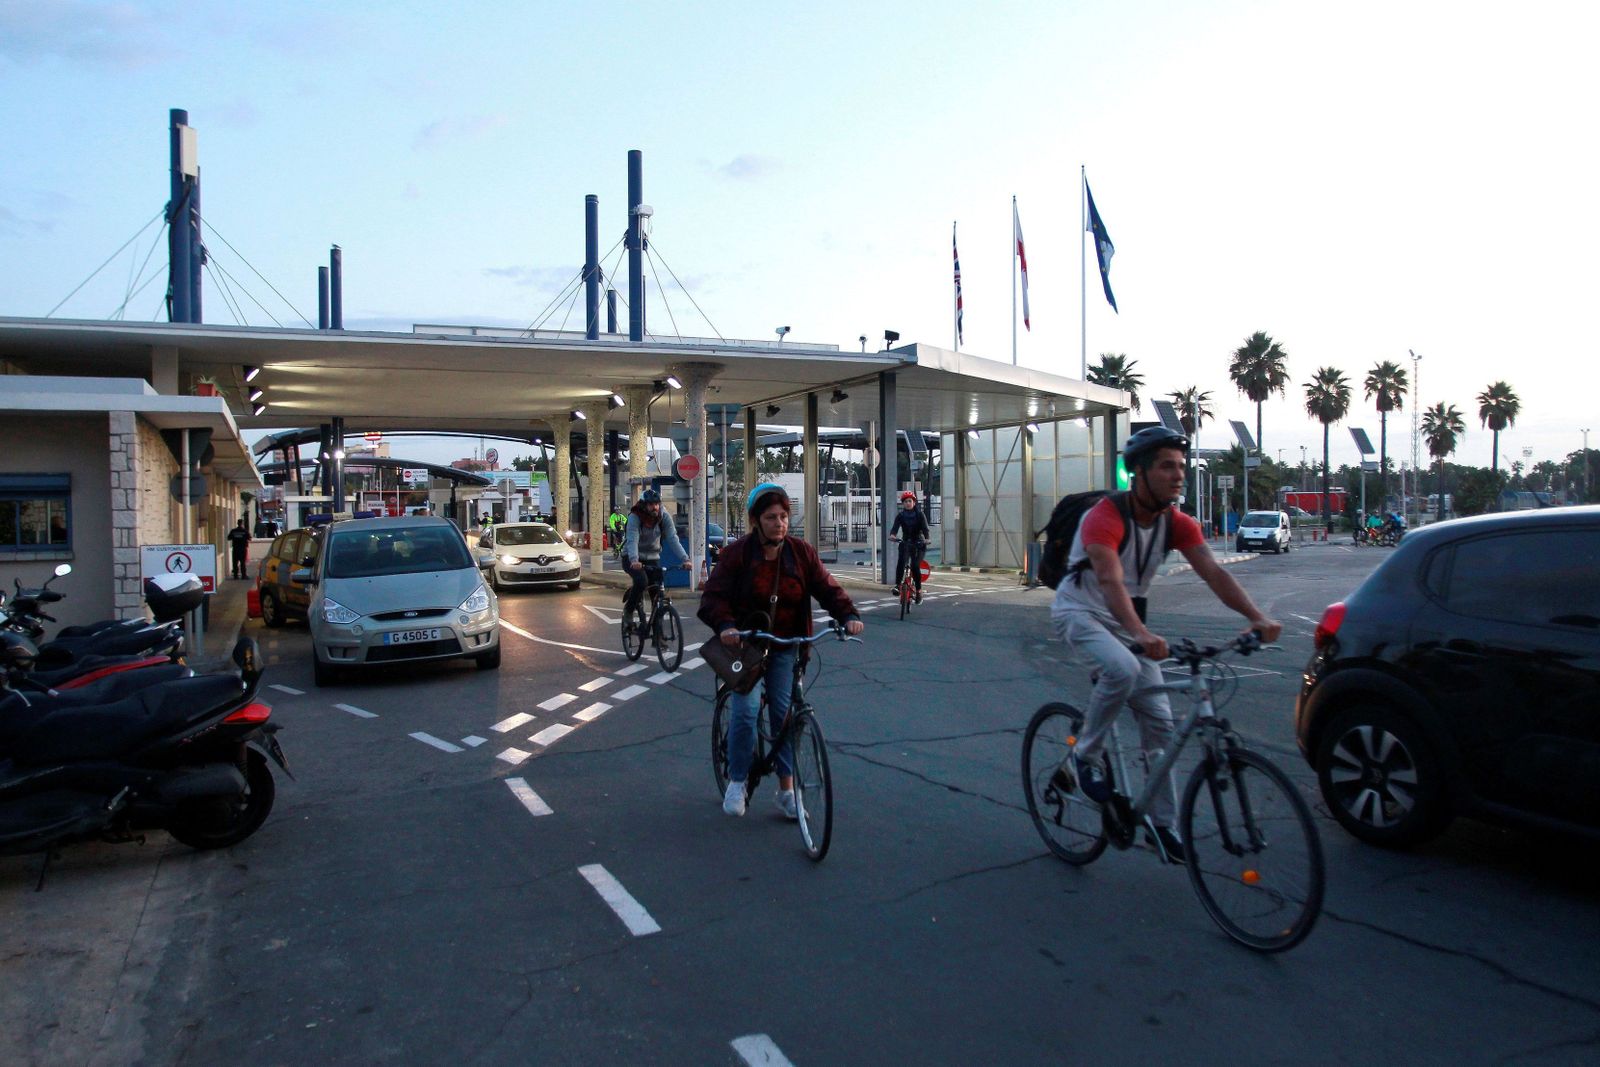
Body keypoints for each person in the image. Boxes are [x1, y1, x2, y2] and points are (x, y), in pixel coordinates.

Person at [1051, 427, 1282, 864]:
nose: (1179, 475)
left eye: (1181, 466)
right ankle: (1085, 757)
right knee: (1123, 669)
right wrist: (1139, 634)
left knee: (1160, 725)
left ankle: (1163, 825)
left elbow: (1214, 573)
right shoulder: (1105, 516)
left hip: (1129, 622)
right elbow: (1109, 580)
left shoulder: (1177, 523)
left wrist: (1256, 617)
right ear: (1138, 472)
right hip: (1081, 612)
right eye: (1166, 466)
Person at [699, 483, 865, 819]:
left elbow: (826, 587)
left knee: (784, 716)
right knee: (745, 712)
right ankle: (737, 780)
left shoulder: (801, 553)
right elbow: (713, 598)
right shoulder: (738, 555)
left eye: (784, 516)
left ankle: (787, 791)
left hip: (788, 646)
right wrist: (726, 625)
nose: (780, 523)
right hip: (747, 648)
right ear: (756, 521)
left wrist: (847, 615)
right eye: (771, 517)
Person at [622, 489, 690, 616]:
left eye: (657, 504)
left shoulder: (664, 517)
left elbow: (673, 539)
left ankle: (656, 626)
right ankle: (628, 611)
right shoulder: (635, 517)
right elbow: (632, 540)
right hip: (631, 557)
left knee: (658, 588)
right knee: (642, 582)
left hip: (652, 557)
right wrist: (634, 560)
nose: (655, 507)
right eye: (651, 504)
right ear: (644, 505)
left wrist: (685, 559)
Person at [888, 490, 930, 601]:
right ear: (903, 503)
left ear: (914, 502)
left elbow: (926, 529)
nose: (908, 503)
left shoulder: (920, 515)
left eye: (910, 501)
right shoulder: (900, 516)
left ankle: (918, 590)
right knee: (901, 562)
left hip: (919, 544)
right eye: (905, 501)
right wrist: (893, 535)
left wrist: (927, 539)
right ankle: (897, 585)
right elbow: (895, 528)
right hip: (906, 542)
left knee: (915, 566)